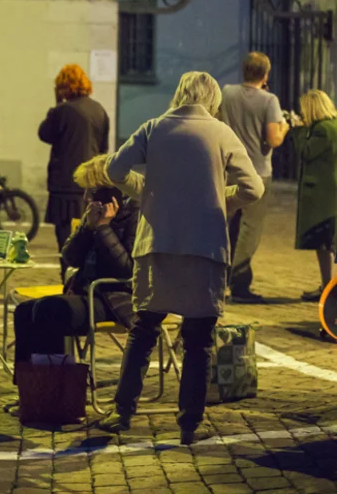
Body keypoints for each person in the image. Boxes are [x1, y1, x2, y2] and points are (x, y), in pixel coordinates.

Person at [99, 71, 263, 444]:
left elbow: (113, 170)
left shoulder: (154, 127)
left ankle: (122, 412)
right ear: (212, 99)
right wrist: (225, 200)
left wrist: (142, 190)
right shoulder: (221, 133)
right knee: (199, 338)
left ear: (180, 93)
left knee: (143, 332)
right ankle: (190, 422)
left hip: (158, 243)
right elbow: (254, 187)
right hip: (204, 246)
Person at [13, 155, 138, 373]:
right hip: (87, 292)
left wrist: (103, 229)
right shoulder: (94, 214)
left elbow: (128, 270)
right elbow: (70, 257)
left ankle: (56, 386)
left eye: (91, 191)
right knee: (24, 311)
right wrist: (88, 228)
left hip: (118, 298)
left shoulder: (136, 215)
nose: (86, 197)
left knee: (50, 310)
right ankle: (30, 389)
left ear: (111, 191)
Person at [219, 52, 289, 303]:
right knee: (251, 227)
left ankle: (218, 275)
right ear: (265, 74)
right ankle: (238, 281)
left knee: (228, 224)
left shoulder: (227, 93)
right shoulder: (269, 101)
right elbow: (273, 139)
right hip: (257, 172)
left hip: (228, 169)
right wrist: (285, 127)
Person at [38, 64, 109, 279]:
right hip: (91, 185)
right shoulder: (99, 110)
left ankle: (67, 280)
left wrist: (56, 105)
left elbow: (44, 134)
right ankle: (86, 282)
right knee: (89, 238)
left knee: (66, 241)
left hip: (65, 186)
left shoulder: (62, 110)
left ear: (63, 87)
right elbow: (104, 147)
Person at [289, 90, 337, 302]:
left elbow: (306, 152)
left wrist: (298, 131)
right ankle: (328, 287)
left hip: (322, 194)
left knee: (324, 243)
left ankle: (328, 288)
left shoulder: (322, 130)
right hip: (329, 191)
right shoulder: (333, 126)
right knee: (328, 242)